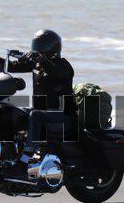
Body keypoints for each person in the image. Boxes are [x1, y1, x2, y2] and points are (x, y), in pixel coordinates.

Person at [9, 30, 76, 163]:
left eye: (41, 45)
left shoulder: (64, 66)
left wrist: (42, 59)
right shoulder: (37, 65)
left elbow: (56, 72)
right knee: (15, 111)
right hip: (43, 113)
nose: (37, 48)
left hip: (63, 117)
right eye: (36, 45)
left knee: (35, 115)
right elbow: (11, 67)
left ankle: (26, 158)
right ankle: (8, 153)